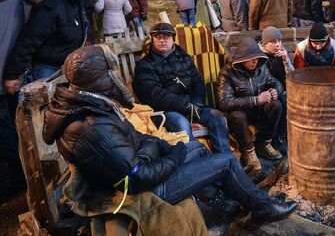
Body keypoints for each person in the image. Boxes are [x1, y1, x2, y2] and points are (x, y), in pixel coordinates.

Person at [44, 45, 297, 224]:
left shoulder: (93, 107)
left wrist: (161, 147)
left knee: (197, 149)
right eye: (111, 74)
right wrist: (173, 155)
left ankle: (228, 196)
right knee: (227, 160)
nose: (116, 79)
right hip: (143, 192)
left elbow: (139, 139)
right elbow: (136, 178)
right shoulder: (90, 126)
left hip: (142, 168)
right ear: (99, 79)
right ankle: (262, 209)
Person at [133, 23, 229, 153]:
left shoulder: (184, 58)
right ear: (153, 39)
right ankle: (193, 165)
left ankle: (225, 159)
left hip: (191, 106)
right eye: (157, 37)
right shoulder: (145, 65)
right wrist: (184, 106)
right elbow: (154, 95)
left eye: (166, 36)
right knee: (182, 123)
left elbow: (198, 83)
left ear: (173, 39)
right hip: (165, 112)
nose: (162, 40)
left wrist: (196, 104)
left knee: (216, 116)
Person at [3, 0, 91, 92]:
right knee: (47, 105)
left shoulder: (75, 2)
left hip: (69, 66)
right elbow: (30, 38)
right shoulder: (51, 3)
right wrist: (13, 74)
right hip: (49, 68)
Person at [217, 38, 284, 171]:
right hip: (241, 112)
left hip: (258, 111)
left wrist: (277, 91)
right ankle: (248, 152)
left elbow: (275, 82)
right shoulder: (227, 72)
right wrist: (256, 100)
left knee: (275, 105)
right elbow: (224, 102)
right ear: (242, 58)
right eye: (251, 58)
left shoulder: (261, 68)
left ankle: (264, 143)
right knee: (237, 116)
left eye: (258, 58)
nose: (255, 61)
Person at [0, 0, 25, 194]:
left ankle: (16, 179)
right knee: (13, 127)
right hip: (12, 74)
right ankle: (19, 174)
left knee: (6, 132)